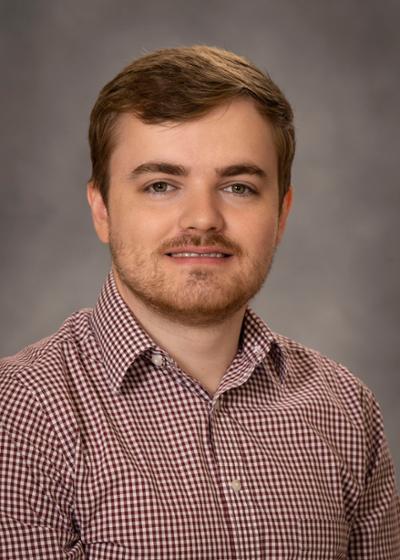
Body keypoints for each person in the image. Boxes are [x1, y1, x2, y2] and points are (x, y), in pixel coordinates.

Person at [0, 45, 399, 559]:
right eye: (161, 185)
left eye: (238, 187)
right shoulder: (19, 414)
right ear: (102, 210)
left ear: (281, 213)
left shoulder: (346, 409)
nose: (203, 218)